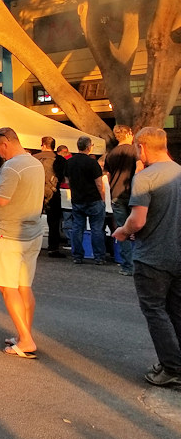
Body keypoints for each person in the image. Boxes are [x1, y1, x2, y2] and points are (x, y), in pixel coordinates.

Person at [111, 127, 181, 386]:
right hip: (177, 253)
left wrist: (122, 231)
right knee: (176, 310)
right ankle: (175, 361)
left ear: (141, 148)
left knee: (154, 310)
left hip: (152, 256)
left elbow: (137, 221)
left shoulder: (146, 177)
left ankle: (172, 367)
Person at [0, 127, 46, 358]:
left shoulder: (13, 166)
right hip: (31, 231)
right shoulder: (34, 163)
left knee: (8, 288)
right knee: (23, 287)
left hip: (9, 233)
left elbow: (1, 199)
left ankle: (25, 340)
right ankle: (23, 333)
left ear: (6, 142)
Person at [104, 125, 142, 276]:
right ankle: (141, 263)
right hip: (134, 193)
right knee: (140, 227)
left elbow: (107, 176)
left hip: (116, 194)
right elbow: (139, 169)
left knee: (122, 229)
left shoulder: (111, 154)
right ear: (130, 133)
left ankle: (127, 266)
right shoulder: (135, 151)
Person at [66, 135, 108, 265]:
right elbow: (99, 184)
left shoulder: (70, 162)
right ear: (89, 147)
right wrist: (102, 199)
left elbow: (67, 181)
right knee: (96, 228)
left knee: (77, 227)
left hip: (77, 198)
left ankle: (77, 255)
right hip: (93, 199)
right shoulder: (92, 163)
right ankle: (99, 256)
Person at [33, 137, 65, 258]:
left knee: (33, 220)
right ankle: (53, 248)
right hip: (53, 193)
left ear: (43, 145)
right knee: (54, 221)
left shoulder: (34, 158)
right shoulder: (60, 160)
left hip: (35, 192)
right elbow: (62, 177)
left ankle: (31, 245)